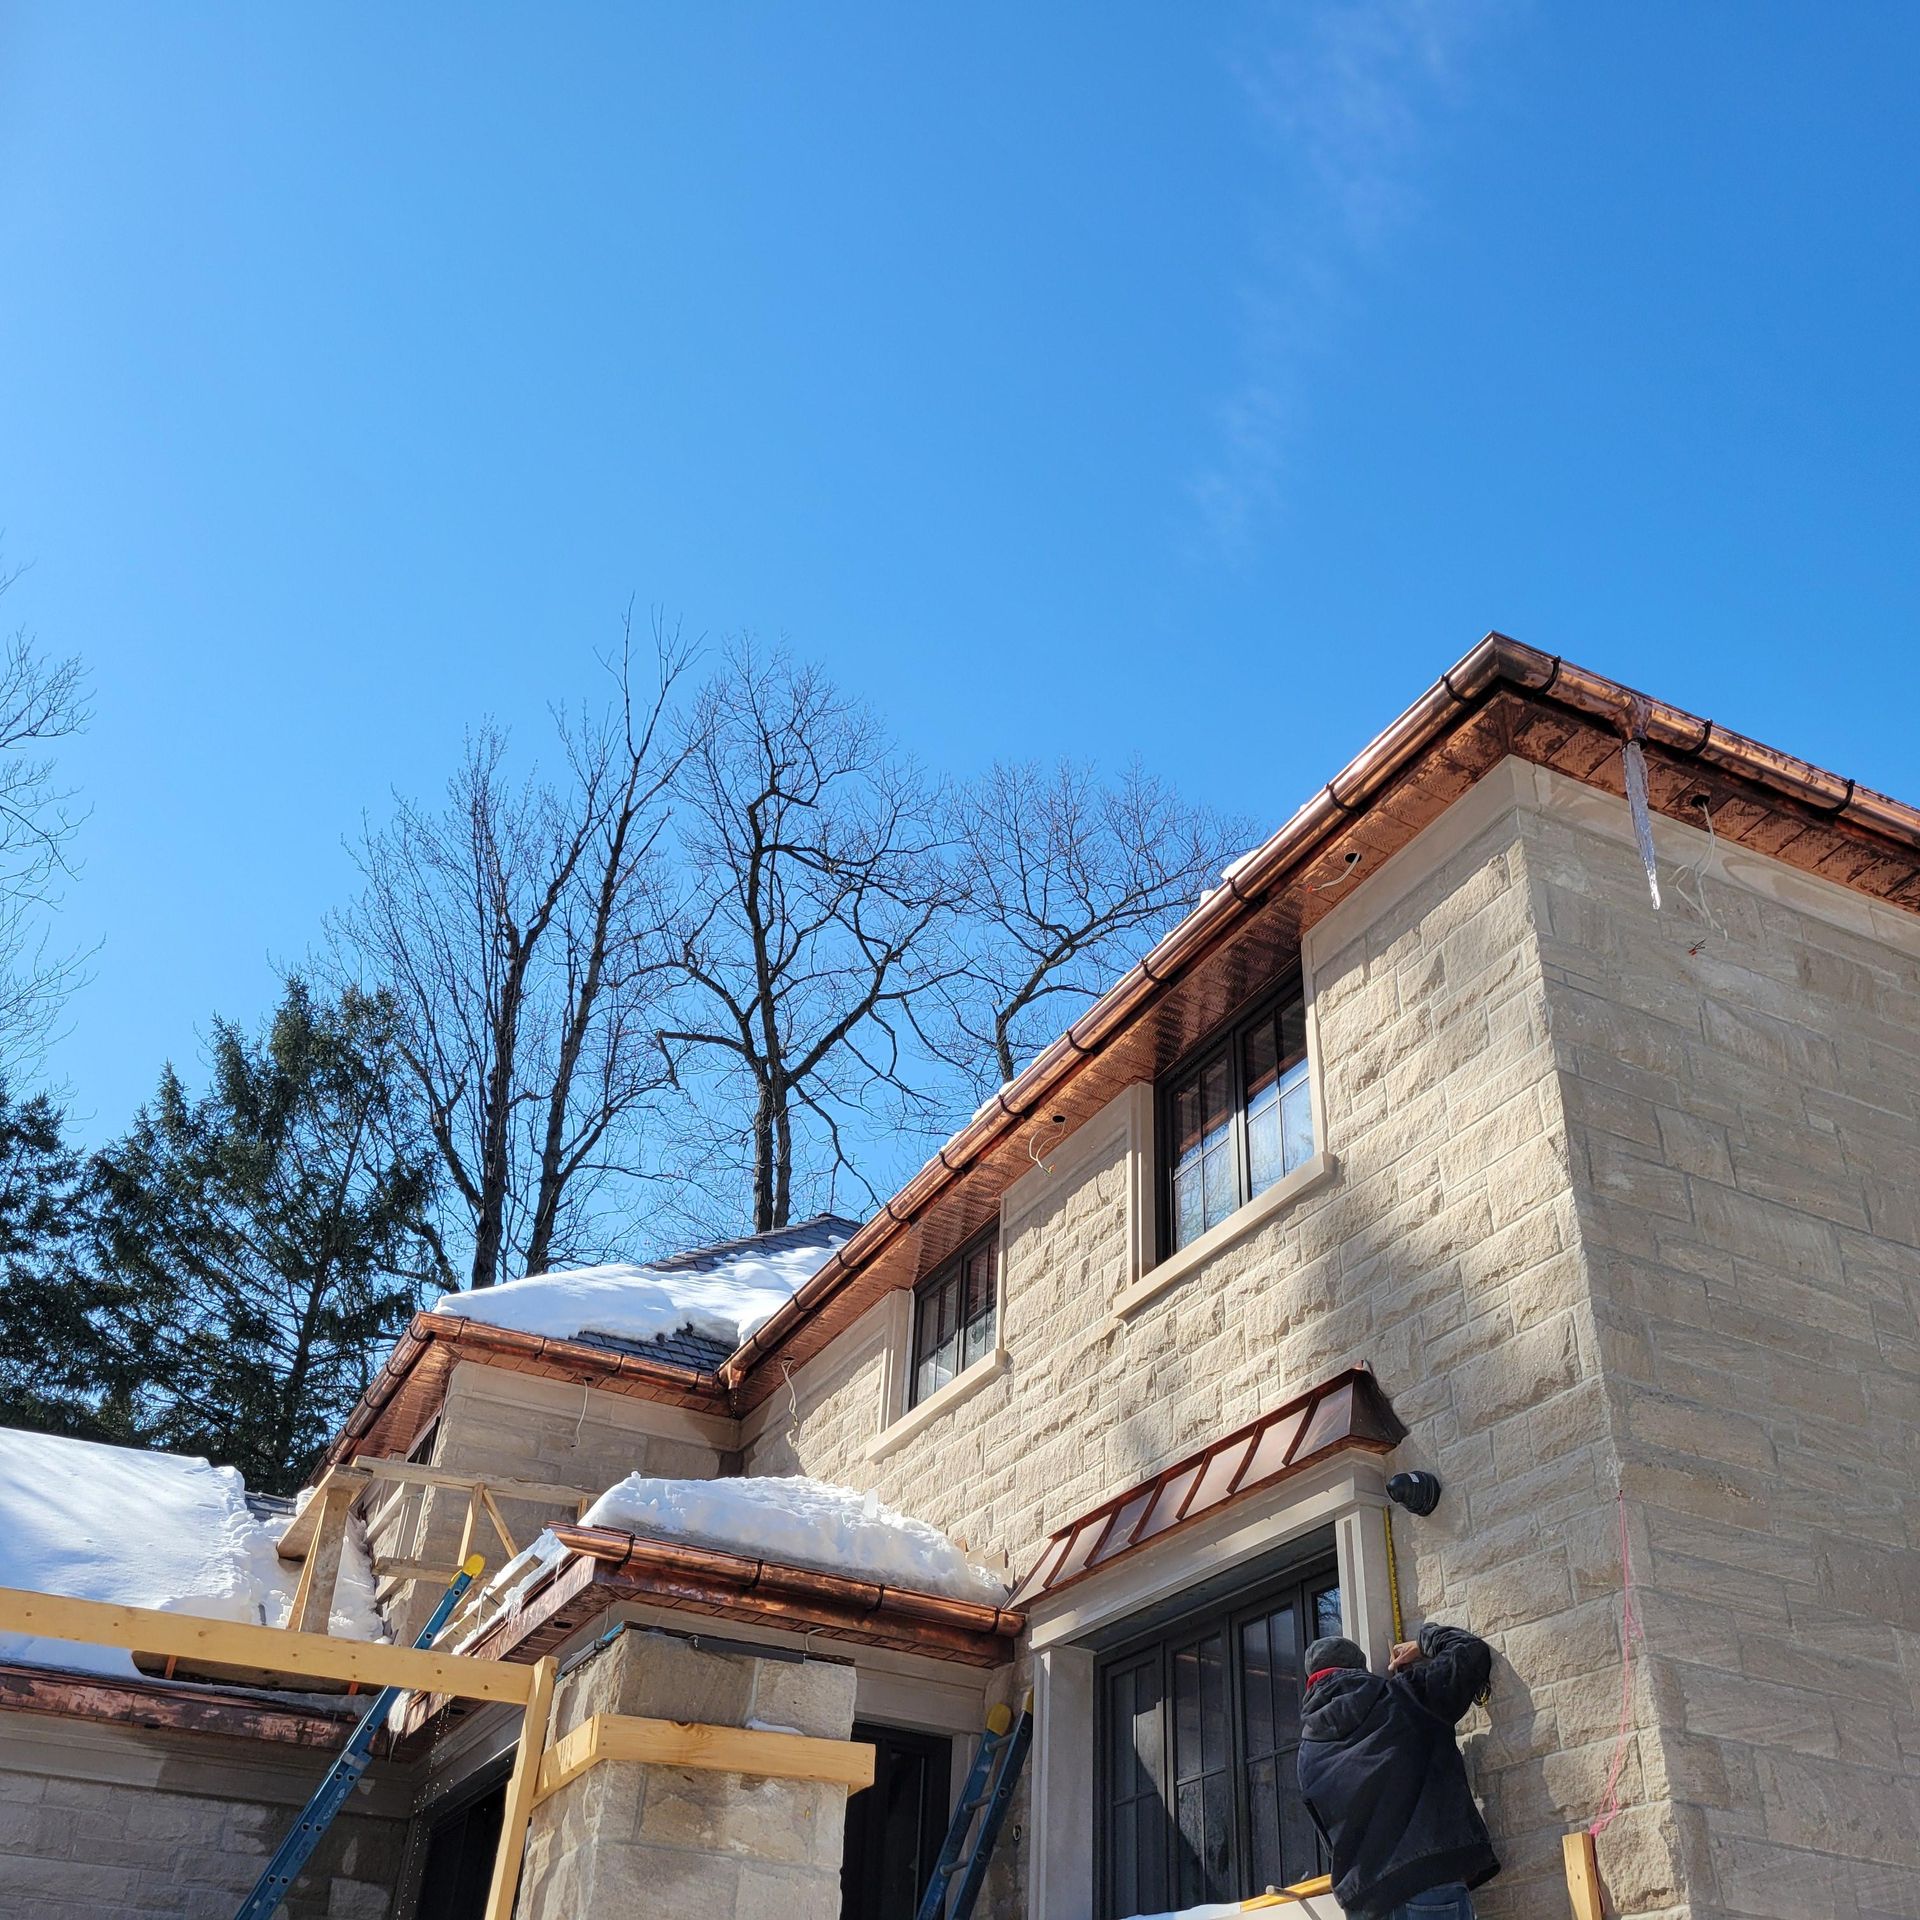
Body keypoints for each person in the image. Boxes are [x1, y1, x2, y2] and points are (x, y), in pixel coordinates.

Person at [1295, 1624, 1498, 1920]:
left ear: (1311, 1684)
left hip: (1367, 1904)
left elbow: (1331, 1841)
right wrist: (1423, 1642)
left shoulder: (1307, 1752)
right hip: (1429, 1885)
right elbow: (1470, 1653)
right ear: (1360, 1669)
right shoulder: (1403, 1697)